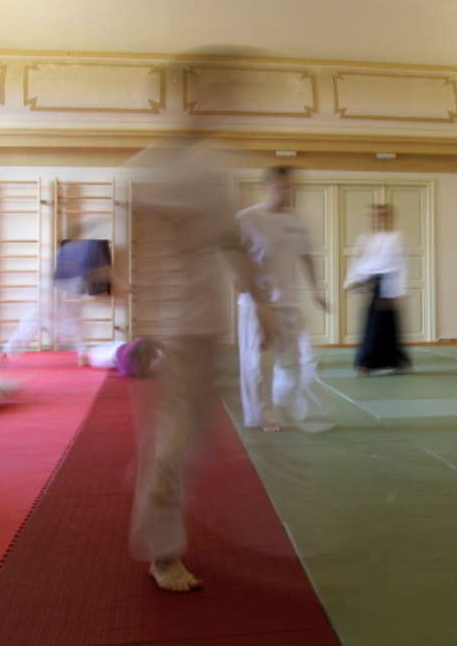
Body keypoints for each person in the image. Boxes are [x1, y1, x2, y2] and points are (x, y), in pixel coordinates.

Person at [125, 137, 278, 593]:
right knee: (173, 449)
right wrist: (146, 315)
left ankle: (155, 501)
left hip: (208, 328)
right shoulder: (155, 167)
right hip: (176, 329)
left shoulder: (213, 167)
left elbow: (231, 243)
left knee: (191, 446)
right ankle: (164, 556)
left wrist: (262, 302)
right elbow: (134, 237)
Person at [236, 166, 329, 431]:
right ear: (267, 187)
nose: (287, 191)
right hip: (257, 304)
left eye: (291, 186)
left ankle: (282, 406)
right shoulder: (247, 218)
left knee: (294, 362)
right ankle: (261, 416)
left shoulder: (297, 221)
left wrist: (316, 290)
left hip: (289, 301)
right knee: (258, 364)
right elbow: (233, 255)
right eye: (281, 186)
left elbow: (306, 257)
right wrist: (238, 278)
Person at [1, 237, 117, 365]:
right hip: (46, 301)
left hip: (58, 301)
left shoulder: (72, 264)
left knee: (73, 326)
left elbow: (97, 272)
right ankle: (7, 351)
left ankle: (82, 354)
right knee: (29, 326)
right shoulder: (60, 260)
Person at [345, 203, 411, 375]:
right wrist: (353, 280)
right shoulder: (365, 238)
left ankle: (367, 363)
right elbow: (360, 262)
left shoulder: (396, 237)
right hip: (372, 283)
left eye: (383, 215)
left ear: (389, 217)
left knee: (381, 325)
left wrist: (398, 292)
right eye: (376, 215)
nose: (379, 218)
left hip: (389, 283)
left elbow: (401, 265)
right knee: (379, 324)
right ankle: (396, 361)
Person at [86, 338, 164, 378]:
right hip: (113, 356)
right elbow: (127, 372)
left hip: (121, 345)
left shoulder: (145, 345)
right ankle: (87, 356)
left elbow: (153, 342)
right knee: (92, 358)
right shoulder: (128, 365)